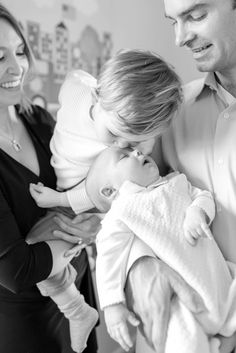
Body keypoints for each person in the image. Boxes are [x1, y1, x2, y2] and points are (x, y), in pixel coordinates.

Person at [124, 1, 236, 353]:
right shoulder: (168, 113)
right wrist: (140, 266)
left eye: (196, 15)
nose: (179, 37)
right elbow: (131, 204)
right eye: (173, 21)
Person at [0, 3, 99, 353]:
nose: (16, 67)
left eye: (20, 51)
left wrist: (93, 224)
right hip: (26, 329)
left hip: (81, 303)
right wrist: (69, 229)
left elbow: (84, 194)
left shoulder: (40, 119)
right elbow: (16, 270)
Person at [85, 145, 236, 353]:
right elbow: (108, 256)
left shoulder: (177, 181)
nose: (137, 152)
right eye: (124, 157)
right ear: (110, 191)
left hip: (221, 282)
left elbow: (203, 196)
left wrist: (198, 210)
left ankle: (216, 343)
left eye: (133, 150)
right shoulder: (123, 210)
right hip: (183, 301)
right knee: (186, 344)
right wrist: (112, 305)